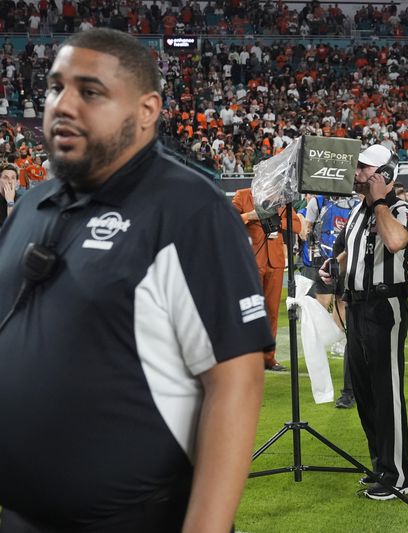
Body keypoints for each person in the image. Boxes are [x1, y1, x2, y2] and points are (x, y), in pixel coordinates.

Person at [0, 29, 270, 533]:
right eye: (55, 87)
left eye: (90, 91)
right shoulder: (33, 205)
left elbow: (236, 381)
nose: (63, 105)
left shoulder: (189, 210)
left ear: (146, 110)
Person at [319, 144, 408, 501]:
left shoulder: (399, 208)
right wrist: (335, 268)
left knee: (386, 392)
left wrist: (378, 202)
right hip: (357, 307)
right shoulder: (360, 212)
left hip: (384, 306)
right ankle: (381, 465)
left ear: (384, 175)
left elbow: (394, 241)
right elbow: (351, 252)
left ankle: (400, 475)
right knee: (364, 392)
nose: (357, 174)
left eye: (364, 169)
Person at [232, 187, 301, 372]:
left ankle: (268, 358)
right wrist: (250, 216)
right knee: (249, 310)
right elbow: (228, 220)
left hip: (275, 262)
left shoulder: (280, 199)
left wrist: (280, 222)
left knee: (272, 311)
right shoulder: (243, 195)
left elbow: (297, 226)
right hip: (250, 261)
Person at [302, 192, 359, 408]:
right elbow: (307, 227)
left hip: (344, 262)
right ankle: (322, 341)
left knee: (342, 303)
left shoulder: (355, 203)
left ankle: (337, 339)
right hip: (323, 261)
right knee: (320, 305)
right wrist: (311, 246)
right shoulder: (318, 201)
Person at [0, 162, 20, 227]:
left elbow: (15, 228)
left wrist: (10, 202)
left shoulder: (22, 200)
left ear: (17, 182)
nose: (9, 181)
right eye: (5, 178)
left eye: (13, 178)